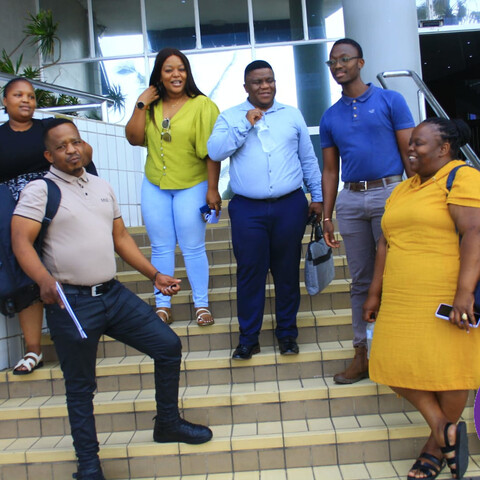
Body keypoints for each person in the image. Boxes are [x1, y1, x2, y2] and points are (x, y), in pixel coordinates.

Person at [11, 119, 213, 480]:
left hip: (113, 295)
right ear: (49, 155)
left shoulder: (102, 185)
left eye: (75, 142)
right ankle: (89, 466)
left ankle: (167, 423)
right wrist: (42, 280)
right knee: (80, 387)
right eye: (61, 146)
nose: (71, 150)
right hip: (71, 302)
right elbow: (20, 241)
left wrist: (154, 275)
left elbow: (120, 238)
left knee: (167, 346)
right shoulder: (40, 190)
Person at [363, 118, 480, 480]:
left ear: (444, 149)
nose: (410, 149)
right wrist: (374, 292)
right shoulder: (404, 188)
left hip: (444, 293)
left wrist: (464, 293)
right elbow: (385, 242)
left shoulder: (462, 178)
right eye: (410, 142)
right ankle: (443, 428)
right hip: (401, 295)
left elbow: (474, 232)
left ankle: (433, 451)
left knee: (450, 371)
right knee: (387, 362)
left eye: (419, 143)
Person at [207, 60, 323, 360]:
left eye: (269, 80)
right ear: (246, 87)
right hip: (248, 209)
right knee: (250, 272)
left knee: (287, 271)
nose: (265, 86)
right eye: (257, 82)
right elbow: (215, 151)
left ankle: (287, 335)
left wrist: (318, 196)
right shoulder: (230, 116)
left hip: (290, 205)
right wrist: (245, 124)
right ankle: (249, 338)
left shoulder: (292, 115)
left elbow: (308, 159)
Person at [320, 38, 415, 384]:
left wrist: (416, 196)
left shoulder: (391, 100)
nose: (338, 66)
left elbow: (410, 153)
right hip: (350, 198)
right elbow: (330, 170)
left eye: (344, 59)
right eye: (332, 62)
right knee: (361, 279)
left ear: (360, 62)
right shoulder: (330, 116)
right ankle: (363, 353)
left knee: (394, 275)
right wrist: (327, 215)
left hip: (390, 192)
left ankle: (399, 352)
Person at [0, 77, 96, 375]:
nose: (25, 100)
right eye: (18, 95)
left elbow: (82, 155)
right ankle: (33, 350)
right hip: (14, 215)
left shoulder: (49, 129)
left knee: (65, 266)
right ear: (5, 101)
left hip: (56, 206)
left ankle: (81, 338)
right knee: (26, 274)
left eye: (30, 95)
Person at [125, 47, 220, 327]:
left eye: (181, 69)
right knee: (160, 247)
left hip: (192, 183)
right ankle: (163, 306)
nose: (176, 74)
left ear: (187, 73)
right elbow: (133, 138)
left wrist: (212, 189)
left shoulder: (202, 105)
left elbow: (212, 152)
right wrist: (141, 103)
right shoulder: (151, 105)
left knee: (192, 246)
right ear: (160, 75)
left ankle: (201, 305)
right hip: (155, 184)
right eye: (169, 70)